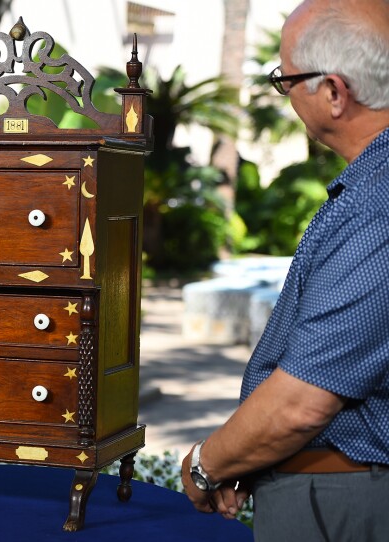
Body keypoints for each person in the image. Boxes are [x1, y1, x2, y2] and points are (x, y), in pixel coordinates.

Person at [180, 0, 389, 539]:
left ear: (335, 93)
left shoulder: (377, 205)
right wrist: (254, 455)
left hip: (342, 498)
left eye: (286, 79)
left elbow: (301, 403)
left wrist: (209, 464)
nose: (284, 93)